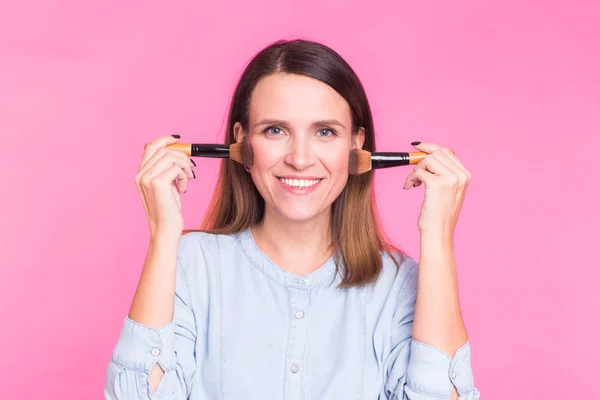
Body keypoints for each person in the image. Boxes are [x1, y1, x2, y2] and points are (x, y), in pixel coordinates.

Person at [105, 39, 479, 400]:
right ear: (241, 141)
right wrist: (163, 235)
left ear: (356, 146)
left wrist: (439, 237)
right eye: (275, 130)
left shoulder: (399, 283)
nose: (300, 158)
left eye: (325, 132)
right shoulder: (188, 264)